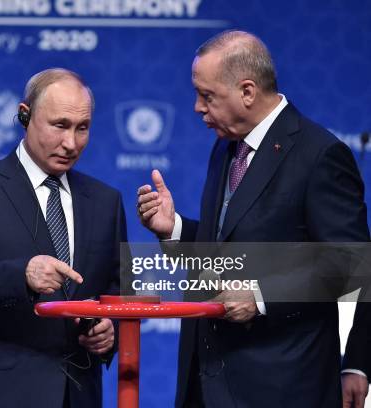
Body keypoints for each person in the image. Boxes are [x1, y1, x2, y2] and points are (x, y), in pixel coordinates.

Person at [136, 30, 369, 407]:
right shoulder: (225, 146)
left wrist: (262, 297)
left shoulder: (320, 155)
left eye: (207, 95)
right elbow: (226, 249)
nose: (197, 107)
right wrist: (175, 228)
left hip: (280, 386)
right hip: (205, 378)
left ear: (247, 91)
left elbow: (350, 263)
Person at [0, 68, 125, 408]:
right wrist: (20, 275)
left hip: (79, 395)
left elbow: (118, 292)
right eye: (60, 125)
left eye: (82, 128)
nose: (71, 143)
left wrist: (111, 333)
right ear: (25, 116)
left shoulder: (105, 200)